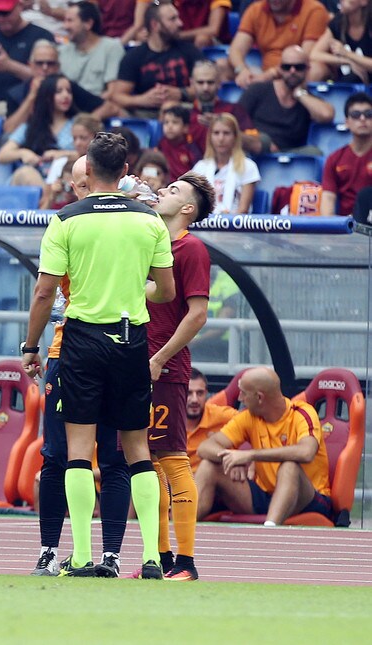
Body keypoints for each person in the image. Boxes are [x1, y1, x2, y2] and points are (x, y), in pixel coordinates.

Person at [21, 131, 176, 579]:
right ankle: (151, 558)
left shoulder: (66, 220)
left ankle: (82, 558)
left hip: (82, 340)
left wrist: (31, 346)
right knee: (136, 450)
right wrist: (134, 286)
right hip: (131, 340)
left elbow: (44, 292)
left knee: (77, 450)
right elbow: (166, 291)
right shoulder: (149, 221)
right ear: (126, 171)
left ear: (87, 170)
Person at [29, 156, 133, 578]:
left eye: (87, 183)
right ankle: (52, 550)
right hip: (80, 349)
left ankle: (107, 554)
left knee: (110, 457)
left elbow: (44, 292)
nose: (84, 192)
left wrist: (28, 346)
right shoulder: (74, 222)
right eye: (78, 186)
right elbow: (47, 292)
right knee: (59, 456)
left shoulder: (124, 220)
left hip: (96, 349)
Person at [144, 170, 215, 582]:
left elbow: (198, 314)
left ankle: (186, 562)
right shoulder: (151, 243)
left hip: (164, 368)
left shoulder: (191, 249)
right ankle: (161, 559)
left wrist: (160, 357)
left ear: (187, 208)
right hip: (136, 364)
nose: (161, 191)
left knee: (171, 457)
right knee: (146, 462)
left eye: (172, 190)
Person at [195, 367, 332, 527]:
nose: (240, 398)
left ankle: (268, 531)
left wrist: (250, 455)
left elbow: (306, 452)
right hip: (265, 496)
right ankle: (181, 526)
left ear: (259, 397)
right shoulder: (249, 417)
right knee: (209, 465)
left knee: (289, 467)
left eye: (243, 393)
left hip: (308, 499)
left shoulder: (302, 413)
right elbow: (205, 447)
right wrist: (232, 457)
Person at [110, 1, 202, 119]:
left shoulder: (189, 50)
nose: (180, 23)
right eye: (172, 19)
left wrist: (181, 93)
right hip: (146, 114)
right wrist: (142, 100)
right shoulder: (134, 56)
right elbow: (118, 96)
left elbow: (208, 87)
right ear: (155, 25)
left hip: (183, 112)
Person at [238, 46, 335, 153]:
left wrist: (300, 94)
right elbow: (235, 120)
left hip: (291, 153)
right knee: (260, 139)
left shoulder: (308, 98)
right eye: (287, 67)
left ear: (308, 69)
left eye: (298, 67)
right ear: (280, 69)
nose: (292, 71)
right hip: (257, 150)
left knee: (313, 152)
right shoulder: (258, 90)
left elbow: (327, 115)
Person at [0, 0, 55, 109]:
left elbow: (48, 80)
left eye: (5, 13)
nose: (0, 19)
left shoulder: (41, 36)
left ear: (19, 6)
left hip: (24, 107)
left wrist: (9, 66)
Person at [0, 73, 80, 184]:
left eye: (69, 91)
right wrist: (23, 153)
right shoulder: (31, 126)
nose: (66, 95)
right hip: (36, 179)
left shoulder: (78, 124)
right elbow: (2, 155)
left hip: (66, 180)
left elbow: (91, 155)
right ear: (46, 96)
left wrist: (63, 155)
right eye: (59, 91)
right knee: (25, 173)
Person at [229, 0, 329, 88]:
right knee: (223, 66)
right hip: (264, 70)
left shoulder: (314, 10)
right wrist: (242, 70)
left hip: (295, 72)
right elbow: (236, 49)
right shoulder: (256, 9)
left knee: (316, 70)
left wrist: (271, 74)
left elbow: (305, 56)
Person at [185, 59, 259, 156]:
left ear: (219, 83)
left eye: (210, 82)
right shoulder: (184, 114)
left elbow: (256, 145)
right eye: (200, 82)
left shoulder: (234, 110)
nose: (205, 88)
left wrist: (223, 125)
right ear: (191, 83)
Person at [190, 114, 260, 216]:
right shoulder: (200, 167)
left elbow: (243, 209)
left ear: (235, 137)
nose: (221, 138)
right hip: (205, 223)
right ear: (210, 137)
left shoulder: (248, 166)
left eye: (226, 133)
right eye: (216, 133)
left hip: (235, 223)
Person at [58, 1, 124, 99]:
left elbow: (112, 92)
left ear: (88, 24)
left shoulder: (111, 48)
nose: (65, 26)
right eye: (64, 21)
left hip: (99, 105)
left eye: (70, 21)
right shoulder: (62, 51)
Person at [321, 92, 372, 217]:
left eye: (368, 114)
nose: (362, 119)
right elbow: (328, 199)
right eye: (355, 115)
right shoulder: (335, 159)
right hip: (346, 224)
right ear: (346, 122)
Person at [184, 369, 237, 471]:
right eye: (188, 393)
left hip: (209, 477)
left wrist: (249, 458)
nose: (194, 399)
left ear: (206, 394)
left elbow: (254, 420)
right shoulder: (165, 419)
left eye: (200, 393)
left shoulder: (221, 416)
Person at [309, 0, 372, 84]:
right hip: (345, 82)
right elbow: (314, 54)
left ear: (364, 1)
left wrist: (347, 54)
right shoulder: (339, 22)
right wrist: (347, 61)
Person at [156, 105, 200, 182]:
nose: (169, 126)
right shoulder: (162, 144)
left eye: (175, 122)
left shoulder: (190, 148)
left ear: (185, 127)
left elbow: (198, 172)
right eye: (166, 122)